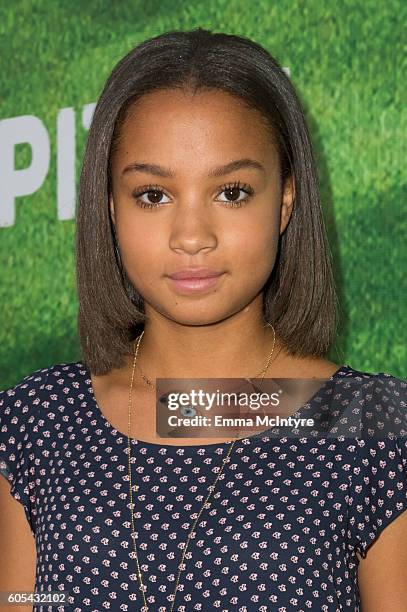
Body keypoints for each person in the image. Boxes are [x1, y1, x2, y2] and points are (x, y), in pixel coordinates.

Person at [1, 27, 406, 612]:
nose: (192, 237)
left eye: (233, 192)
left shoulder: (375, 430)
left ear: (286, 200)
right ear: (111, 206)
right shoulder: (35, 425)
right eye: (153, 195)